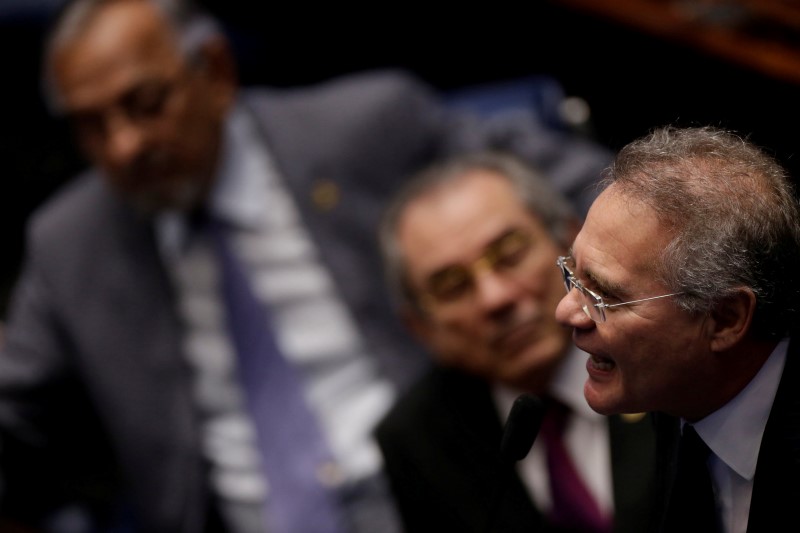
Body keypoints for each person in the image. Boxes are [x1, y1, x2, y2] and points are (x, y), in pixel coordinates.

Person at [0, 0, 616, 532]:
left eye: (145, 104)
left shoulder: (366, 126)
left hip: (442, 488)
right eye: (91, 126)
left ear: (214, 72)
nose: (123, 146)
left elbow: (599, 200)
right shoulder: (68, 243)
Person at [375, 151, 656, 533]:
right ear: (420, 327)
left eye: (510, 254)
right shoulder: (418, 440)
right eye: (452, 286)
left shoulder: (657, 341)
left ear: (571, 243)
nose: (495, 298)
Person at [554, 125, 800, 533]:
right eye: (572, 275)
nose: (567, 312)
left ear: (724, 319)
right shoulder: (673, 393)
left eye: (606, 296)